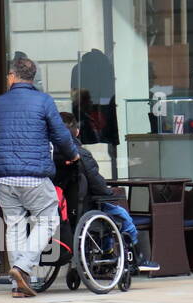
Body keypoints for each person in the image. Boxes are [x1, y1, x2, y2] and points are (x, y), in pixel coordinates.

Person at [0, 55, 78, 298]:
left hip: (4, 176)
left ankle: (19, 284)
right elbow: (60, 135)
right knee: (48, 219)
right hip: (34, 174)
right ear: (32, 77)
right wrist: (73, 154)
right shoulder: (43, 101)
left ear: (12, 76)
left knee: (15, 225)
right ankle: (22, 267)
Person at [57, 112, 159, 272]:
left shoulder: (49, 155)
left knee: (108, 214)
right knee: (122, 216)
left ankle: (108, 252)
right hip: (86, 207)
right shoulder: (81, 155)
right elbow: (97, 184)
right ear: (77, 132)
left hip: (62, 210)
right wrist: (110, 194)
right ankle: (137, 258)